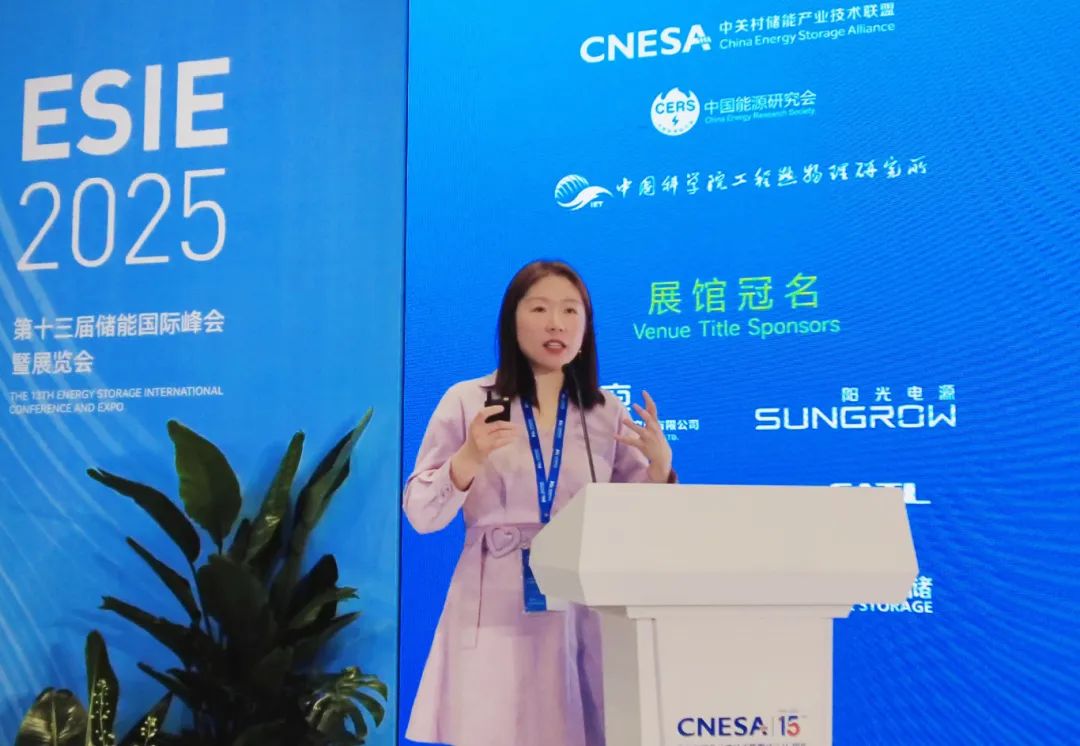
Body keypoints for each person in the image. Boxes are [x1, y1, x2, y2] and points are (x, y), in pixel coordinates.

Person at [403, 259, 675, 746]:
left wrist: (659, 470)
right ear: (512, 320)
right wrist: (468, 457)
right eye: (540, 309)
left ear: (586, 327)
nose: (556, 324)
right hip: (495, 602)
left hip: (580, 602)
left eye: (571, 311)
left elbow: (641, 527)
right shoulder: (468, 400)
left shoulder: (604, 410)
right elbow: (422, 513)